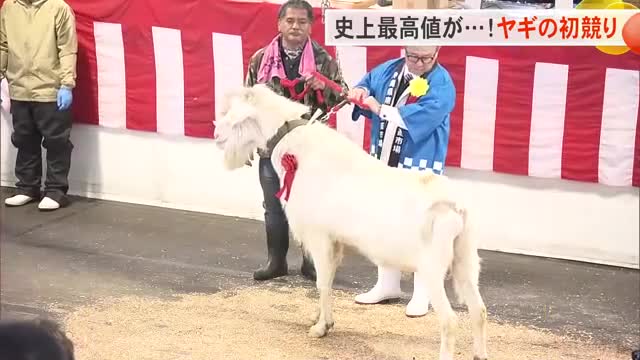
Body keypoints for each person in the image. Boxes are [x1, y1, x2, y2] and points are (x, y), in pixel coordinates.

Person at [347, 46, 456, 317]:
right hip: (384, 160)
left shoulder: (442, 83)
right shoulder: (389, 69)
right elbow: (367, 83)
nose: (419, 64)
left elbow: (421, 116)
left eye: (426, 58)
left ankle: (423, 293)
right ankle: (387, 283)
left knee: (422, 229)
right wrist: (360, 90)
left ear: (437, 53)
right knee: (384, 223)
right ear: (404, 51)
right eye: (413, 57)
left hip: (421, 164)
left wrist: (378, 107)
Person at [244, 0, 348, 282]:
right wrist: (246, 142)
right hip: (271, 146)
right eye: (290, 21)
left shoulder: (324, 59)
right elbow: (248, 104)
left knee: (311, 205)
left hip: (310, 147)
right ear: (279, 23)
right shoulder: (260, 59)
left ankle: (311, 263)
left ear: (310, 26)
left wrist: (323, 85)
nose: (295, 27)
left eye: (302, 22)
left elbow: (343, 97)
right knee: (273, 206)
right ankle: (276, 261)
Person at [0, 0, 77, 211]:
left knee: (56, 142)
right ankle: (26, 188)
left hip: (50, 89)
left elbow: (67, 49)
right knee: (24, 139)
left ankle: (55, 191)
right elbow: (2, 44)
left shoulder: (58, 8)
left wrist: (66, 84)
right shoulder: (9, 7)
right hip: (19, 88)